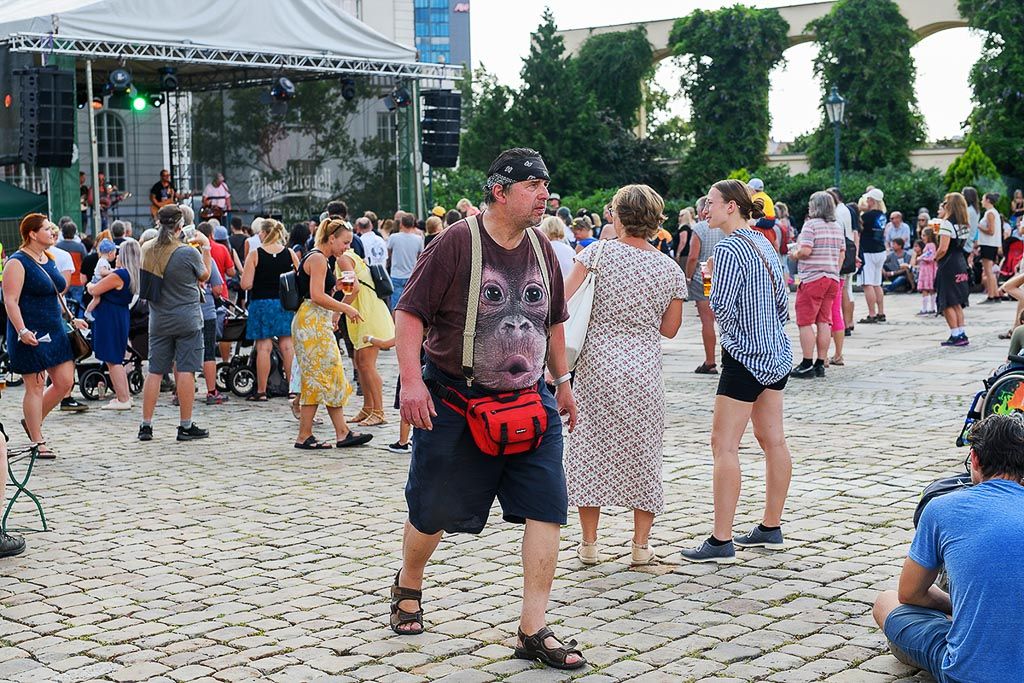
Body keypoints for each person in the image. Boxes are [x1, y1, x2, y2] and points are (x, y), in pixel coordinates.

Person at [391, 147, 585, 671]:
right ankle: (409, 584)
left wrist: (562, 382)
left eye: (546, 185)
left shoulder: (543, 248)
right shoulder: (457, 242)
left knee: (547, 507)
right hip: (456, 402)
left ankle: (533, 629)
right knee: (431, 510)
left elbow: (554, 321)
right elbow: (409, 313)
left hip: (529, 402)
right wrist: (412, 383)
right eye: (533, 185)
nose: (545, 194)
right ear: (499, 191)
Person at [564, 184, 686, 567]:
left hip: (597, 365)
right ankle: (640, 545)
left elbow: (562, 300)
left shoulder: (596, 253)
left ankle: (589, 544)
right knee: (644, 452)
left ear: (618, 216)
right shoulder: (669, 269)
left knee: (590, 448)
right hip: (643, 370)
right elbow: (670, 329)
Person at [680, 179, 792, 564]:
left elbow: (722, 308)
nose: (704, 210)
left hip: (744, 356)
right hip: (775, 352)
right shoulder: (763, 242)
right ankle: (770, 527)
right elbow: (783, 302)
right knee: (773, 439)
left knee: (724, 444)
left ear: (731, 206)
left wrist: (710, 279)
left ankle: (721, 539)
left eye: (710, 203)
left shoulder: (727, 249)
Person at [872, 413, 1024, 682]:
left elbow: (909, 593)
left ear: (974, 459)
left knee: (886, 600)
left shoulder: (942, 508)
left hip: (967, 674)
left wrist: (960, 607)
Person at [3, 214, 88, 458]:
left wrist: (70, 317)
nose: (53, 232)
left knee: (65, 382)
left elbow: (55, 294)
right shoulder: (17, 262)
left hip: (56, 328)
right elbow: (10, 301)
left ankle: (33, 420)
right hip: (31, 332)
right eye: (47, 229)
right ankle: (37, 441)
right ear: (32, 234)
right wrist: (22, 330)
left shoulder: (47, 257)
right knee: (36, 386)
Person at [291, 219, 372, 450]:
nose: (347, 247)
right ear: (332, 238)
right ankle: (306, 435)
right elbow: (316, 295)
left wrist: (336, 286)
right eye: (345, 242)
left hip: (315, 320)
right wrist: (345, 308)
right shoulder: (318, 258)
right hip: (312, 322)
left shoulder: (321, 259)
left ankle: (341, 432)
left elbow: (319, 291)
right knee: (320, 375)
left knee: (328, 375)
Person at [137, 205, 212, 442]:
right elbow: (205, 275)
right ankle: (185, 425)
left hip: (159, 319)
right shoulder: (187, 252)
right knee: (186, 370)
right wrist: (206, 248)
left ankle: (146, 425)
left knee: (155, 371)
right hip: (187, 318)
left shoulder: (147, 249)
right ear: (180, 227)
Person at [240, 219, 298, 401]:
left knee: (263, 347)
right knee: (287, 346)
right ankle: (292, 389)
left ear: (264, 233)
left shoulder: (255, 254)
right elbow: (299, 278)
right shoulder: (289, 253)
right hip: (283, 304)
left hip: (261, 304)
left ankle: (262, 390)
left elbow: (246, 284)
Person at [340, 240, 396, 427]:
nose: (345, 245)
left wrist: (338, 311)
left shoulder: (343, 259)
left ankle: (378, 411)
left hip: (367, 313)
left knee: (366, 364)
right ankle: (368, 407)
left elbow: (352, 290)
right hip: (368, 310)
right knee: (361, 362)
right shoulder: (352, 256)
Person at [790, 191, 844, 379]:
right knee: (824, 321)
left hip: (813, 278)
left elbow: (806, 250)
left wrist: (794, 254)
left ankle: (806, 363)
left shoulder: (810, 225)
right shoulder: (837, 227)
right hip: (832, 278)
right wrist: (834, 269)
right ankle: (820, 363)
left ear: (815, 206)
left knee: (805, 322)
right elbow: (842, 252)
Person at [87, 240, 141, 409]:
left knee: (112, 359)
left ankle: (123, 399)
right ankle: (124, 396)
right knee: (116, 357)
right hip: (119, 314)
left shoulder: (119, 275)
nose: (116, 257)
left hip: (110, 316)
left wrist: (89, 284)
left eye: (118, 254)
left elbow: (94, 290)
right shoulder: (131, 274)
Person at [684, 196, 724, 374]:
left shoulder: (699, 228)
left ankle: (710, 361)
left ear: (701, 211)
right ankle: (728, 358)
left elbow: (693, 256)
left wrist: (688, 277)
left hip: (704, 277)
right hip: (723, 277)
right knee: (724, 321)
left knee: (707, 321)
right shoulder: (724, 227)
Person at [935, 193, 971, 347]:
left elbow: (943, 248)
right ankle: (961, 333)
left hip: (948, 264)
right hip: (960, 261)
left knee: (948, 301)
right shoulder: (964, 224)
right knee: (957, 301)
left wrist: (935, 258)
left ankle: (955, 334)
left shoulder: (946, 224)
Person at [828, 187, 859, 337]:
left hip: (841, 254)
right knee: (846, 289)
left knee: (840, 291)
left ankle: (840, 324)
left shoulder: (836, 213)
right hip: (849, 251)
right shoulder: (846, 210)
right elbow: (854, 232)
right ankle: (848, 323)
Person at [858, 188, 888, 323]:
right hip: (880, 249)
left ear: (872, 200)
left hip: (868, 251)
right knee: (877, 283)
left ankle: (872, 314)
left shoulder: (866, 216)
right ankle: (881, 312)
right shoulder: (882, 215)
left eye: (868, 199)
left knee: (867, 283)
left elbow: (859, 229)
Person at [387, 213, 424, 310]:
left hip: (396, 274)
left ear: (401, 224)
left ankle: (395, 320)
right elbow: (420, 256)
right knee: (411, 305)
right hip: (412, 274)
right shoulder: (418, 239)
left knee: (395, 305)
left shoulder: (393, 237)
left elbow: (389, 253)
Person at [55, 221, 87, 317]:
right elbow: (85, 261)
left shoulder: (58, 246)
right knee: (78, 305)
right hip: (77, 280)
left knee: (63, 304)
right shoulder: (80, 247)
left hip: (62, 280)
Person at [978, 192, 1003, 303]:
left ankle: (991, 295)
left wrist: (979, 226)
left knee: (988, 271)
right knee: (989, 271)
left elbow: (991, 231)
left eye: (983, 199)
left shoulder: (990, 213)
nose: (981, 201)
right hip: (991, 244)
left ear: (988, 200)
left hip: (988, 244)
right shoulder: (993, 212)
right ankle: (995, 294)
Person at [747, 178, 777, 250]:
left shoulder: (754, 199)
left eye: (748, 188)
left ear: (752, 190)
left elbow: (750, 216)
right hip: (770, 224)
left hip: (760, 224)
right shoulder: (767, 197)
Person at [916, 231, 938, 315]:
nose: (922, 237)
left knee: (925, 289)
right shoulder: (931, 245)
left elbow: (930, 257)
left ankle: (925, 308)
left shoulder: (930, 245)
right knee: (931, 289)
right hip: (929, 269)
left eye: (924, 235)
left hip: (927, 270)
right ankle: (932, 307)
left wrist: (921, 258)